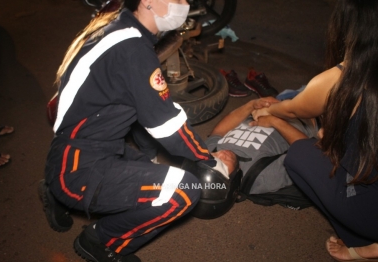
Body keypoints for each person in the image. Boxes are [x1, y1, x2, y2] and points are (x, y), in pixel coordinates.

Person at [39, 1, 234, 261]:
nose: (184, 4)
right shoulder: (134, 49)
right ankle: (101, 241)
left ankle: (55, 192)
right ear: (148, 1)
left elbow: (135, 108)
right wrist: (208, 160)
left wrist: (149, 155)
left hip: (76, 153)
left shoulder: (119, 25)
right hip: (80, 169)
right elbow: (168, 126)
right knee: (184, 189)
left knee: (155, 170)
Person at [252, 0, 378, 260]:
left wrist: (271, 112)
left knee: (298, 155)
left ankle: (357, 238)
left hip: (368, 213)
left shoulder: (339, 78)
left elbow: (295, 110)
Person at [206, 97, 318, 195]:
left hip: (276, 104)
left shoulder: (207, 154)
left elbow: (218, 132)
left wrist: (251, 105)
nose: (220, 155)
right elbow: (308, 154)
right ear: (232, 182)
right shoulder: (262, 177)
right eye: (222, 166)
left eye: (213, 159)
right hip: (309, 115)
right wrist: (274, 121)